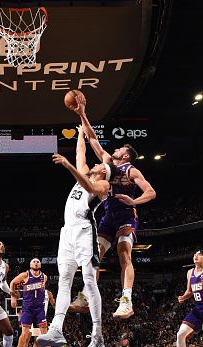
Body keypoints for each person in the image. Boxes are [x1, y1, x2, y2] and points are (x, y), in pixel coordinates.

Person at [69, 94, 156, 319]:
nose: (115, 149)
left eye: (119, 149)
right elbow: (93, 139)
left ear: (125, 155)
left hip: (126, 214)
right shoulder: (107, 162)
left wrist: (134, 201)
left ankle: (126, 299)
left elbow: (151, 192)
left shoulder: (131, 171)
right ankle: (86, 295)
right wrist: (82, 113)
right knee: (94, 255)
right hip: (107, 215)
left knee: (123, 253)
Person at [36, 119, 114, 347]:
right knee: (63, 282)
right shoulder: (87, 173)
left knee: (89, 281)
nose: (95, 163)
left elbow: (89, 186)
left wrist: (69, 166)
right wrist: (80, 134)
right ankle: (57, 329)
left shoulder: (103, 184)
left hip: (84, 231)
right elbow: (81, 152)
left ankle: (98, 336)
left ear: (103, 171)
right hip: (67, 233)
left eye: (100, 164)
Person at [10, 258, 57, 347]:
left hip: (39, 310)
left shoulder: (44, 277)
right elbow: (12, 283)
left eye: (38, 261)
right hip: (28, 309)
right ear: (30, 264)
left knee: (43, 335)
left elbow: (51, 301)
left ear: (40, 264)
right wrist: (13, 296)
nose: (36, 263)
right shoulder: (25, 275)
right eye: (33, 261)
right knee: (25, 334)